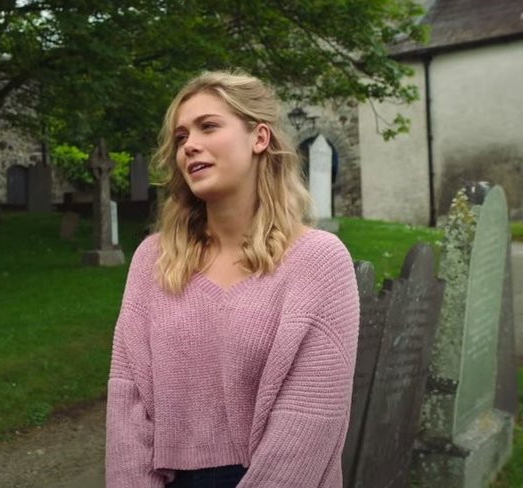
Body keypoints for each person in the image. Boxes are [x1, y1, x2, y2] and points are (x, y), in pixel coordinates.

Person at [105, 71, 359, 487]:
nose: (190, 145)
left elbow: (310, 420)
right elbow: (128, 401)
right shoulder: (154, 260)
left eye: (208, 126)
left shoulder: (317, 262)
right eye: (181, 136)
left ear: (259, 138)